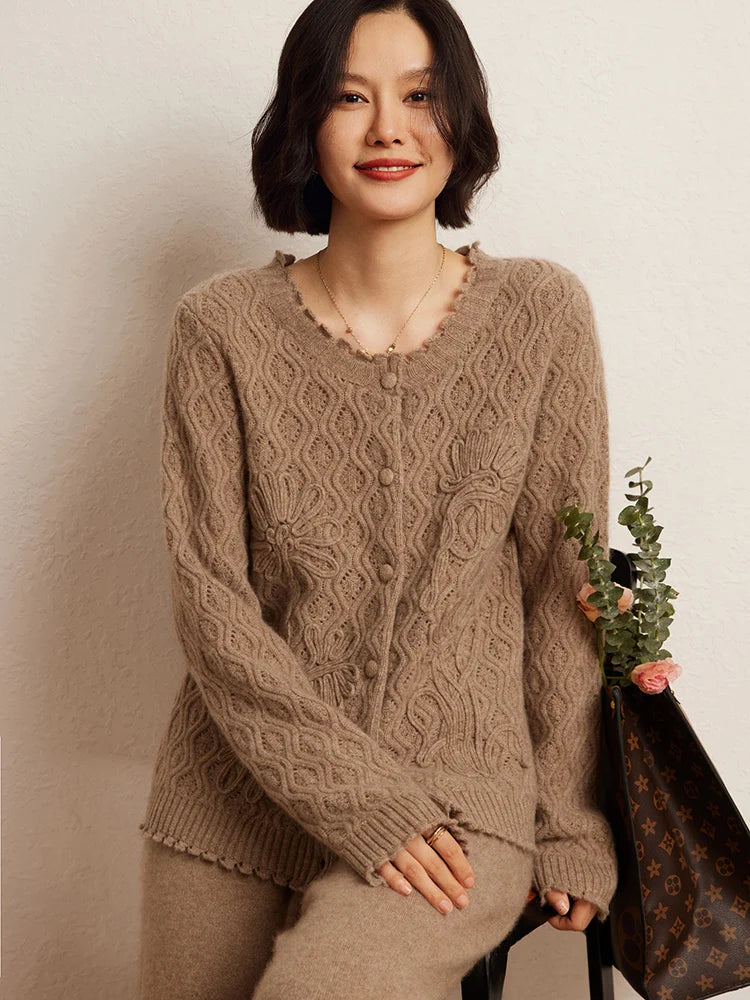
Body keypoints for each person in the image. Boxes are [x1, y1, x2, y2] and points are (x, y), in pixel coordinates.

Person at [135, 1, 619, 997]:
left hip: (458, 802)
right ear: (305, 124)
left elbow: (560, 585)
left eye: (421, 97)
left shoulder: (542, 313)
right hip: (228, 801)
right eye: (349, 97)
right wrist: (355, 799)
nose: (389, 128)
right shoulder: (219, 327)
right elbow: (210, 601)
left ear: (461, 120)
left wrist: (571, 822)